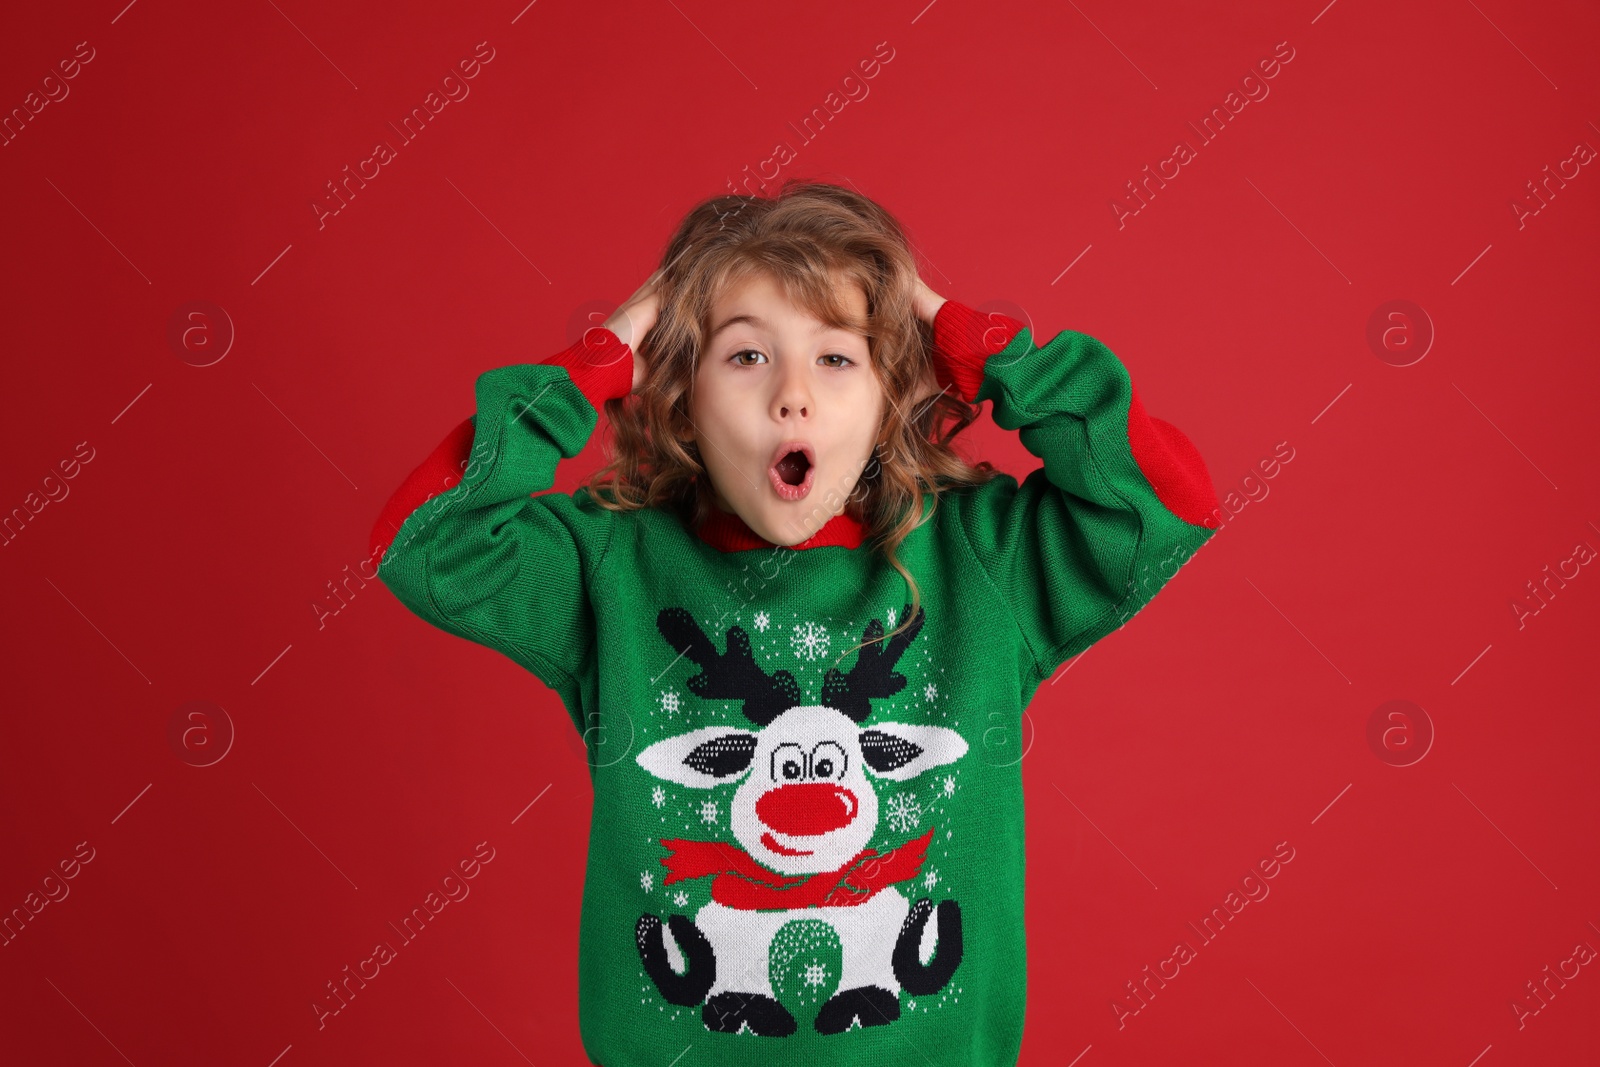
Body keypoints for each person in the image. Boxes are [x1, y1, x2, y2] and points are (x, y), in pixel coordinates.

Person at [368, 179, 1220, 1065]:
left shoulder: (983, 561)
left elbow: (1162, 507)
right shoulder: (607, 568)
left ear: (894, 396)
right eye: (744, 356)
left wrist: (983, 344)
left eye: (838, 358)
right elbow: (426, 540)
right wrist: (598, 357)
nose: (793, 396)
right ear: (680, 398)